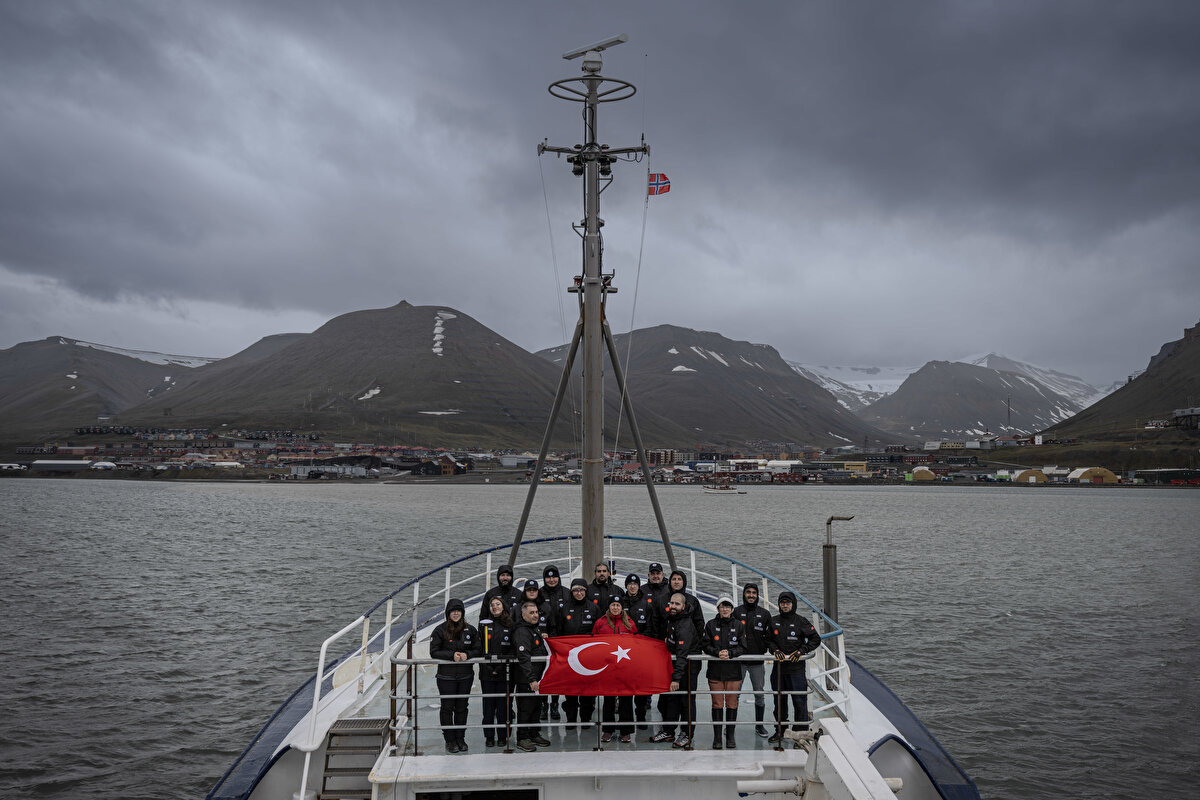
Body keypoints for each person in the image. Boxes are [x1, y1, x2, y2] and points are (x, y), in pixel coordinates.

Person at [429, 598, 482, 753]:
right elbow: (434, 651)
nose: (456, 613)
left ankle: (460, 738)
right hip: (446, 677)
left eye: (459, 611)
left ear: (463, 612)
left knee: (462, 707)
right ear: (448, 613)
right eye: (453, 611)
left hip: (465, 676)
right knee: (447, 708)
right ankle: (450, 740)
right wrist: (451, 655)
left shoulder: (471, 630)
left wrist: (468, 654)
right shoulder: (439, 630)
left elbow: (478, 649)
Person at [768, 591, 820, 743]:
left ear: (793, 604)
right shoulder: (773, 621)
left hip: (796, 670)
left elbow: (815, 638)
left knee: (799, 703)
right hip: (779, 669)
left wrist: (802, 651)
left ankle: (800, 736)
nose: (785, 605)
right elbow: (768, 640)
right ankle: (781, 732)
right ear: (779, 604)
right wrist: (775, 650)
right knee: (780, 703)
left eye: (788, 602)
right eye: (782, 602)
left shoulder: (801, 621)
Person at [649, 592, 700, 748]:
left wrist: (676, 678)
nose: (673, 606)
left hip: (688, 668)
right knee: (672, 699)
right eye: (672, 603)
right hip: (677, 666)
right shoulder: (672, 619)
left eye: (677, 604)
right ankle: (669, 730)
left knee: (686, 700)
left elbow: (682, 653)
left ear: (683, 606)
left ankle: (687, 733)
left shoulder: (684, 624)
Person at [592, 596, 637, 743]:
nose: (615, 608)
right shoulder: (600, 623)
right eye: (613, 605)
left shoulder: (630, 623)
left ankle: (626, 731)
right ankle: (608, 730)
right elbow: (593, 643)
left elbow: (637, 644)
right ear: (609, 607)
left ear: (622, 607)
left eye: (618, 605)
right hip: (607, 668)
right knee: (608, 700)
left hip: (626, 668)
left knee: (626, 699)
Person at [733, 582, 774, 737]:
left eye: (754, 593)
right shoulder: (736, 612)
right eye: (748, 592)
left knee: (759, 694)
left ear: (757, 595)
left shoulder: (764, 614)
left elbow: (770, 636)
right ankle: (730, 726)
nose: (751, 595)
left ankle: (759, 726)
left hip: (757, 661)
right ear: (744, 594)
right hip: (739, 661)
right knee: (735, 695)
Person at [704, 597, 745, 749]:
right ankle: (717, 738)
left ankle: (730, 737)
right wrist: (717, 653)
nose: (725, 609)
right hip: (715, 671)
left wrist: (731, 653)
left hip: (734, 672)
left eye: (728, 606)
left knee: (732, 703)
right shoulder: (710, 625)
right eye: (722, 606)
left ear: (732, 609)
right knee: (717, 704)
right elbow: (705, 644)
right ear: (718, 608)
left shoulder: (739, 626)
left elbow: (743, 646)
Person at [557, 578, 598, 729]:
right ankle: (571, 719)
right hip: (570, 657)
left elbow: (598, 632)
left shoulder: (594, 608)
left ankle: (586, 719)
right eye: (575, 590)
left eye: (581, 590)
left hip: (588, 658)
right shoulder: (564, 608)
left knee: (587, 691)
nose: (578, 593)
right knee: (571, 691)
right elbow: (559, 632)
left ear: (586, 591)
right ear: (571, 592)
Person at [512, 600, 551, 751]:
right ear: (523, 615)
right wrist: (531, 679)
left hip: (537, 678)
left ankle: (534, 733)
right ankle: (522, 737)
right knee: (525, 709)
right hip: (526, 679)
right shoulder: (522, 632)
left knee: (535, 708)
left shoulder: (535, 630)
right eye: (531, 613)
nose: (535, 616)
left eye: (536, 613)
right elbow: (523, 656)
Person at [478, 596, 515, 748]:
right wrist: (488, 667)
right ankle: (489, 736)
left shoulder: (511, 625)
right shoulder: (484, 625)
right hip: (486, 672)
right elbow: (480, 648)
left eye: (498, 604)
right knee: (488, 707)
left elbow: (513, 648)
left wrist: (500, 666)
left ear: (503, 606)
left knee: (504, 706)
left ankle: (503, 735)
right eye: (492, 605)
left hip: (505, 671)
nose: (495, 607)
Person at [622, 574, 657, 727]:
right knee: (626, 687)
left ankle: (641, 717)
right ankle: (626, 720)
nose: (632, 586)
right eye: (629, 584)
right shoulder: (619, 604)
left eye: (635, 584)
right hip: (623, 652)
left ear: (638, 586)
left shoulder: (646, 604)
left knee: (641, 687)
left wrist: (642, 644)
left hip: (641, 651)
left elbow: (650, 627)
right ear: (626, 586)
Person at [540, 565, 567, 722]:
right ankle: (544, 704)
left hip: (560, 639)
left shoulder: (566, 593)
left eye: (554, 577)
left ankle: (555, 704)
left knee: (556, 672)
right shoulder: (540, 594)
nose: (551, 580)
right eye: (548, 577)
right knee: (543, 672)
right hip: (543, 640)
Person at [667, 569, 706, 636]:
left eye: (679, 579)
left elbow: (699, 623)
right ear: (670, 582)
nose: (676, 582)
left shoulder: (693, 601)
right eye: (674, 579)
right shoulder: (662, 599)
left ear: (684, 582)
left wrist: (695, 641)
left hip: (687, 641)